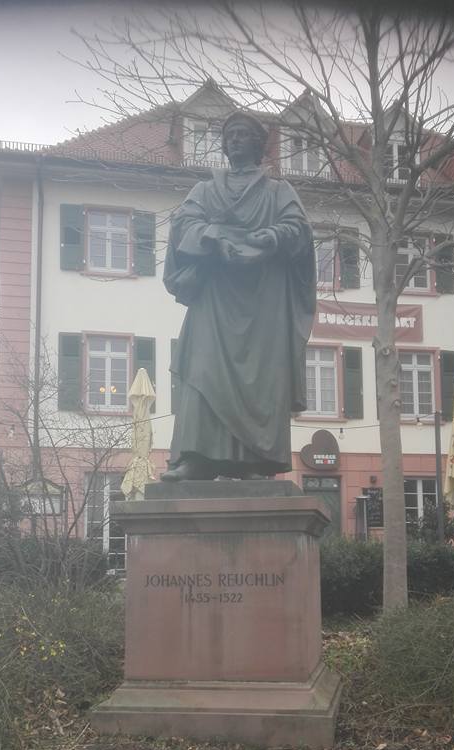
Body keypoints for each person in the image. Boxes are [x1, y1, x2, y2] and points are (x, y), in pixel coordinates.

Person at [162, 110, 316, 480]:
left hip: (264, 300)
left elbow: (299, 230)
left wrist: (273, 236)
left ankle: (256, 461)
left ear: (259, 144)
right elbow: (183, 226)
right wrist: (213, 236)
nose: (234, 139)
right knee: (201, 368)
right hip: (215, 295)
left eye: (243, 133)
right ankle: (196, 457)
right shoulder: (204, 190)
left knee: (262, 378)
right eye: (230, 134)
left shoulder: (279, 191)